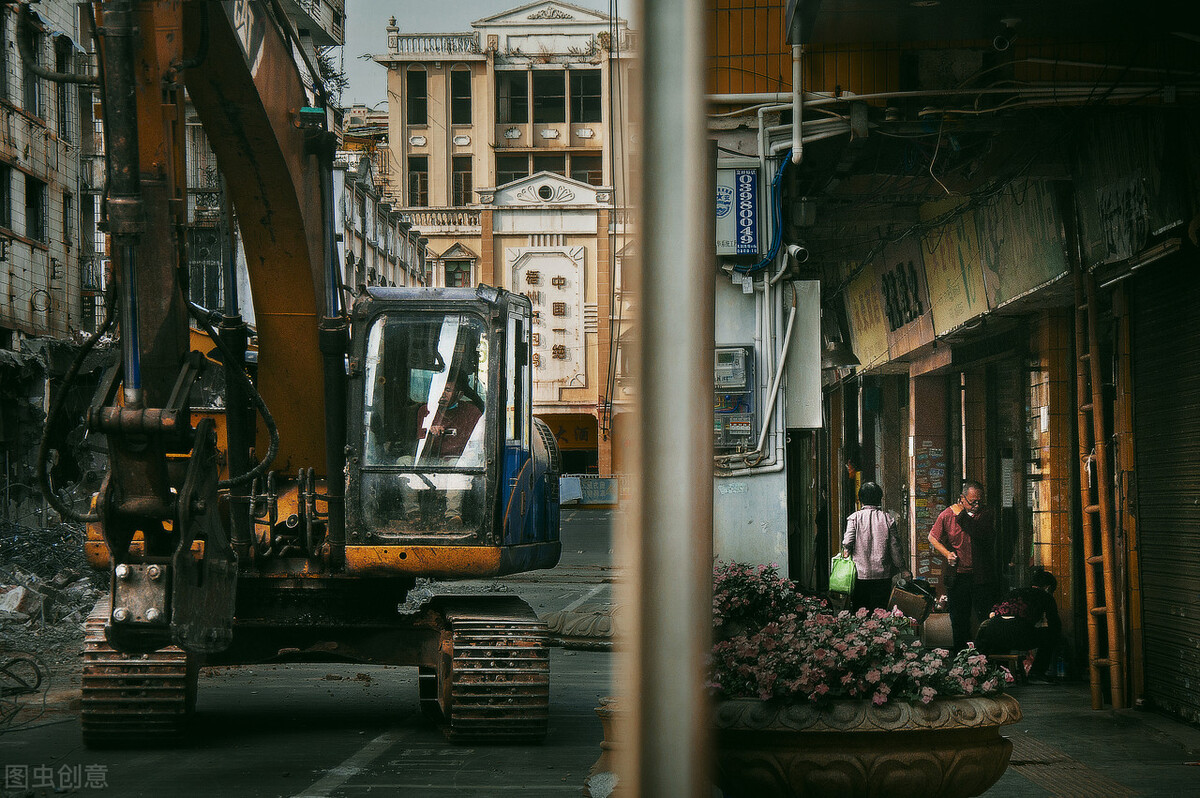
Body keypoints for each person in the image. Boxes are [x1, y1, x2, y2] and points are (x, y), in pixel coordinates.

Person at [927, 480, 1000, 652]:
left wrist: (961, 515)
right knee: (959, 618)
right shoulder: (947, 515)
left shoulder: (986, 514)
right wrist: (947, 554)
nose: (976, 505)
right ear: (962, 499)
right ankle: (962, 655)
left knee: (985, 616)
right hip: (958, 576)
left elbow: (979, 533)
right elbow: (932, 537)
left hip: (981, 576)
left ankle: (986, 655)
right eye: (972, 501)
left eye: (979, 501)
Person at [975, 570, 1062, 681]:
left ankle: (999, 672)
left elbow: (992, 613)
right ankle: (1037, 672)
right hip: (1018, 632)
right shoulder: (1045, 596)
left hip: (993, 630)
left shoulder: (1014, 592)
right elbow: (1055, 624)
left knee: (1006, 633)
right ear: (1048, 588)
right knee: (1050, 635)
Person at [841, 482, 909, 611]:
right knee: (880, 612)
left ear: (860, 499)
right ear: (879, 498)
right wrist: (902, 568)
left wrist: (846, 550)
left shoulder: (854, 518)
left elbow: (847, 541)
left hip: (859, 575)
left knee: (860, 613)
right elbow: (895, 548)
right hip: (882, 576)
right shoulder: (888, 519)